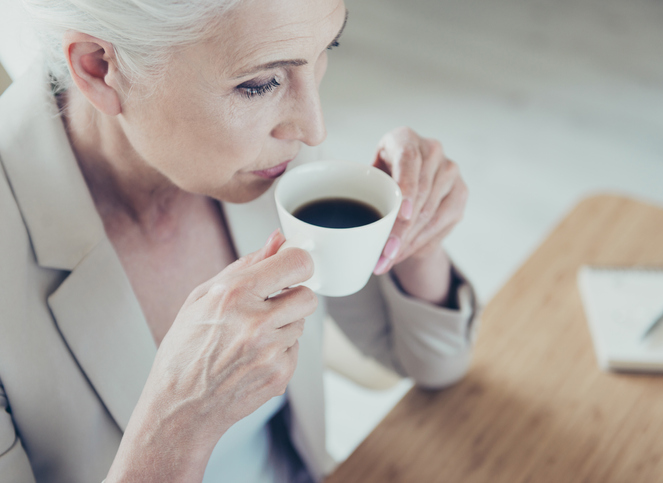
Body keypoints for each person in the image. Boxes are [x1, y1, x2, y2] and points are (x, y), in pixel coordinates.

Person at [0, 0, 479, 481]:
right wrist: (178, 424)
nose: (313, 130)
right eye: (259, 84)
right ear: (100, 68)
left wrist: (416, 234)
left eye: (323, 50)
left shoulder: (268, 162)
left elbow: (436, 364)